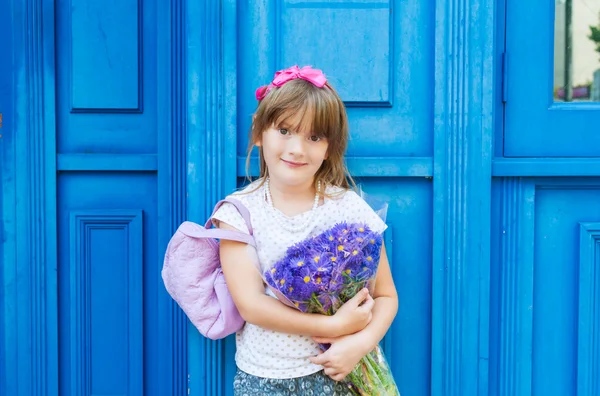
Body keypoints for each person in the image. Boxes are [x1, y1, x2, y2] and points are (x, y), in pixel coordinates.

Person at [213, 65, 398, 395]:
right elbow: (251, 305)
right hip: (264, 381)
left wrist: (360, 344)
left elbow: (385, 295)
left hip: (340, 374)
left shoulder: (348, 208)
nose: (297, 148)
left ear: (329, 146)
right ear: (259, 131)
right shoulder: (239, 212)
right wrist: (332, 325)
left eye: (314, 137)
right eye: (285, 130)